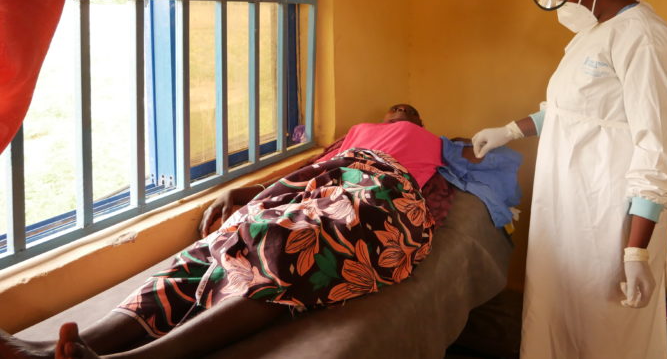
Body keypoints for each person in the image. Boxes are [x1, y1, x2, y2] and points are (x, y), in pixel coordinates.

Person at [0, 104, 456, 359]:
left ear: (418, 122)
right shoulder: (359, 130)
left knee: (295, 241)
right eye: (397, 109)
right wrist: (249, 189)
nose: (400, 114)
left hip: (384, 183)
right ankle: (53, 350)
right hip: (328, 175)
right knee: (220, 244)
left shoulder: (434, 143)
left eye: (408, 113)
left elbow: (445, 188)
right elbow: (312, 166)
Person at [471, 0, 667, 358]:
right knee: (557, 318)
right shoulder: (596, 32)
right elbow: (576, 112)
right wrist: (511, 131)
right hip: (570, 209)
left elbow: (661, 145)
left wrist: (635, 251)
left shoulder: (643, 39)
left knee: (605, 330)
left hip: (610, 218)